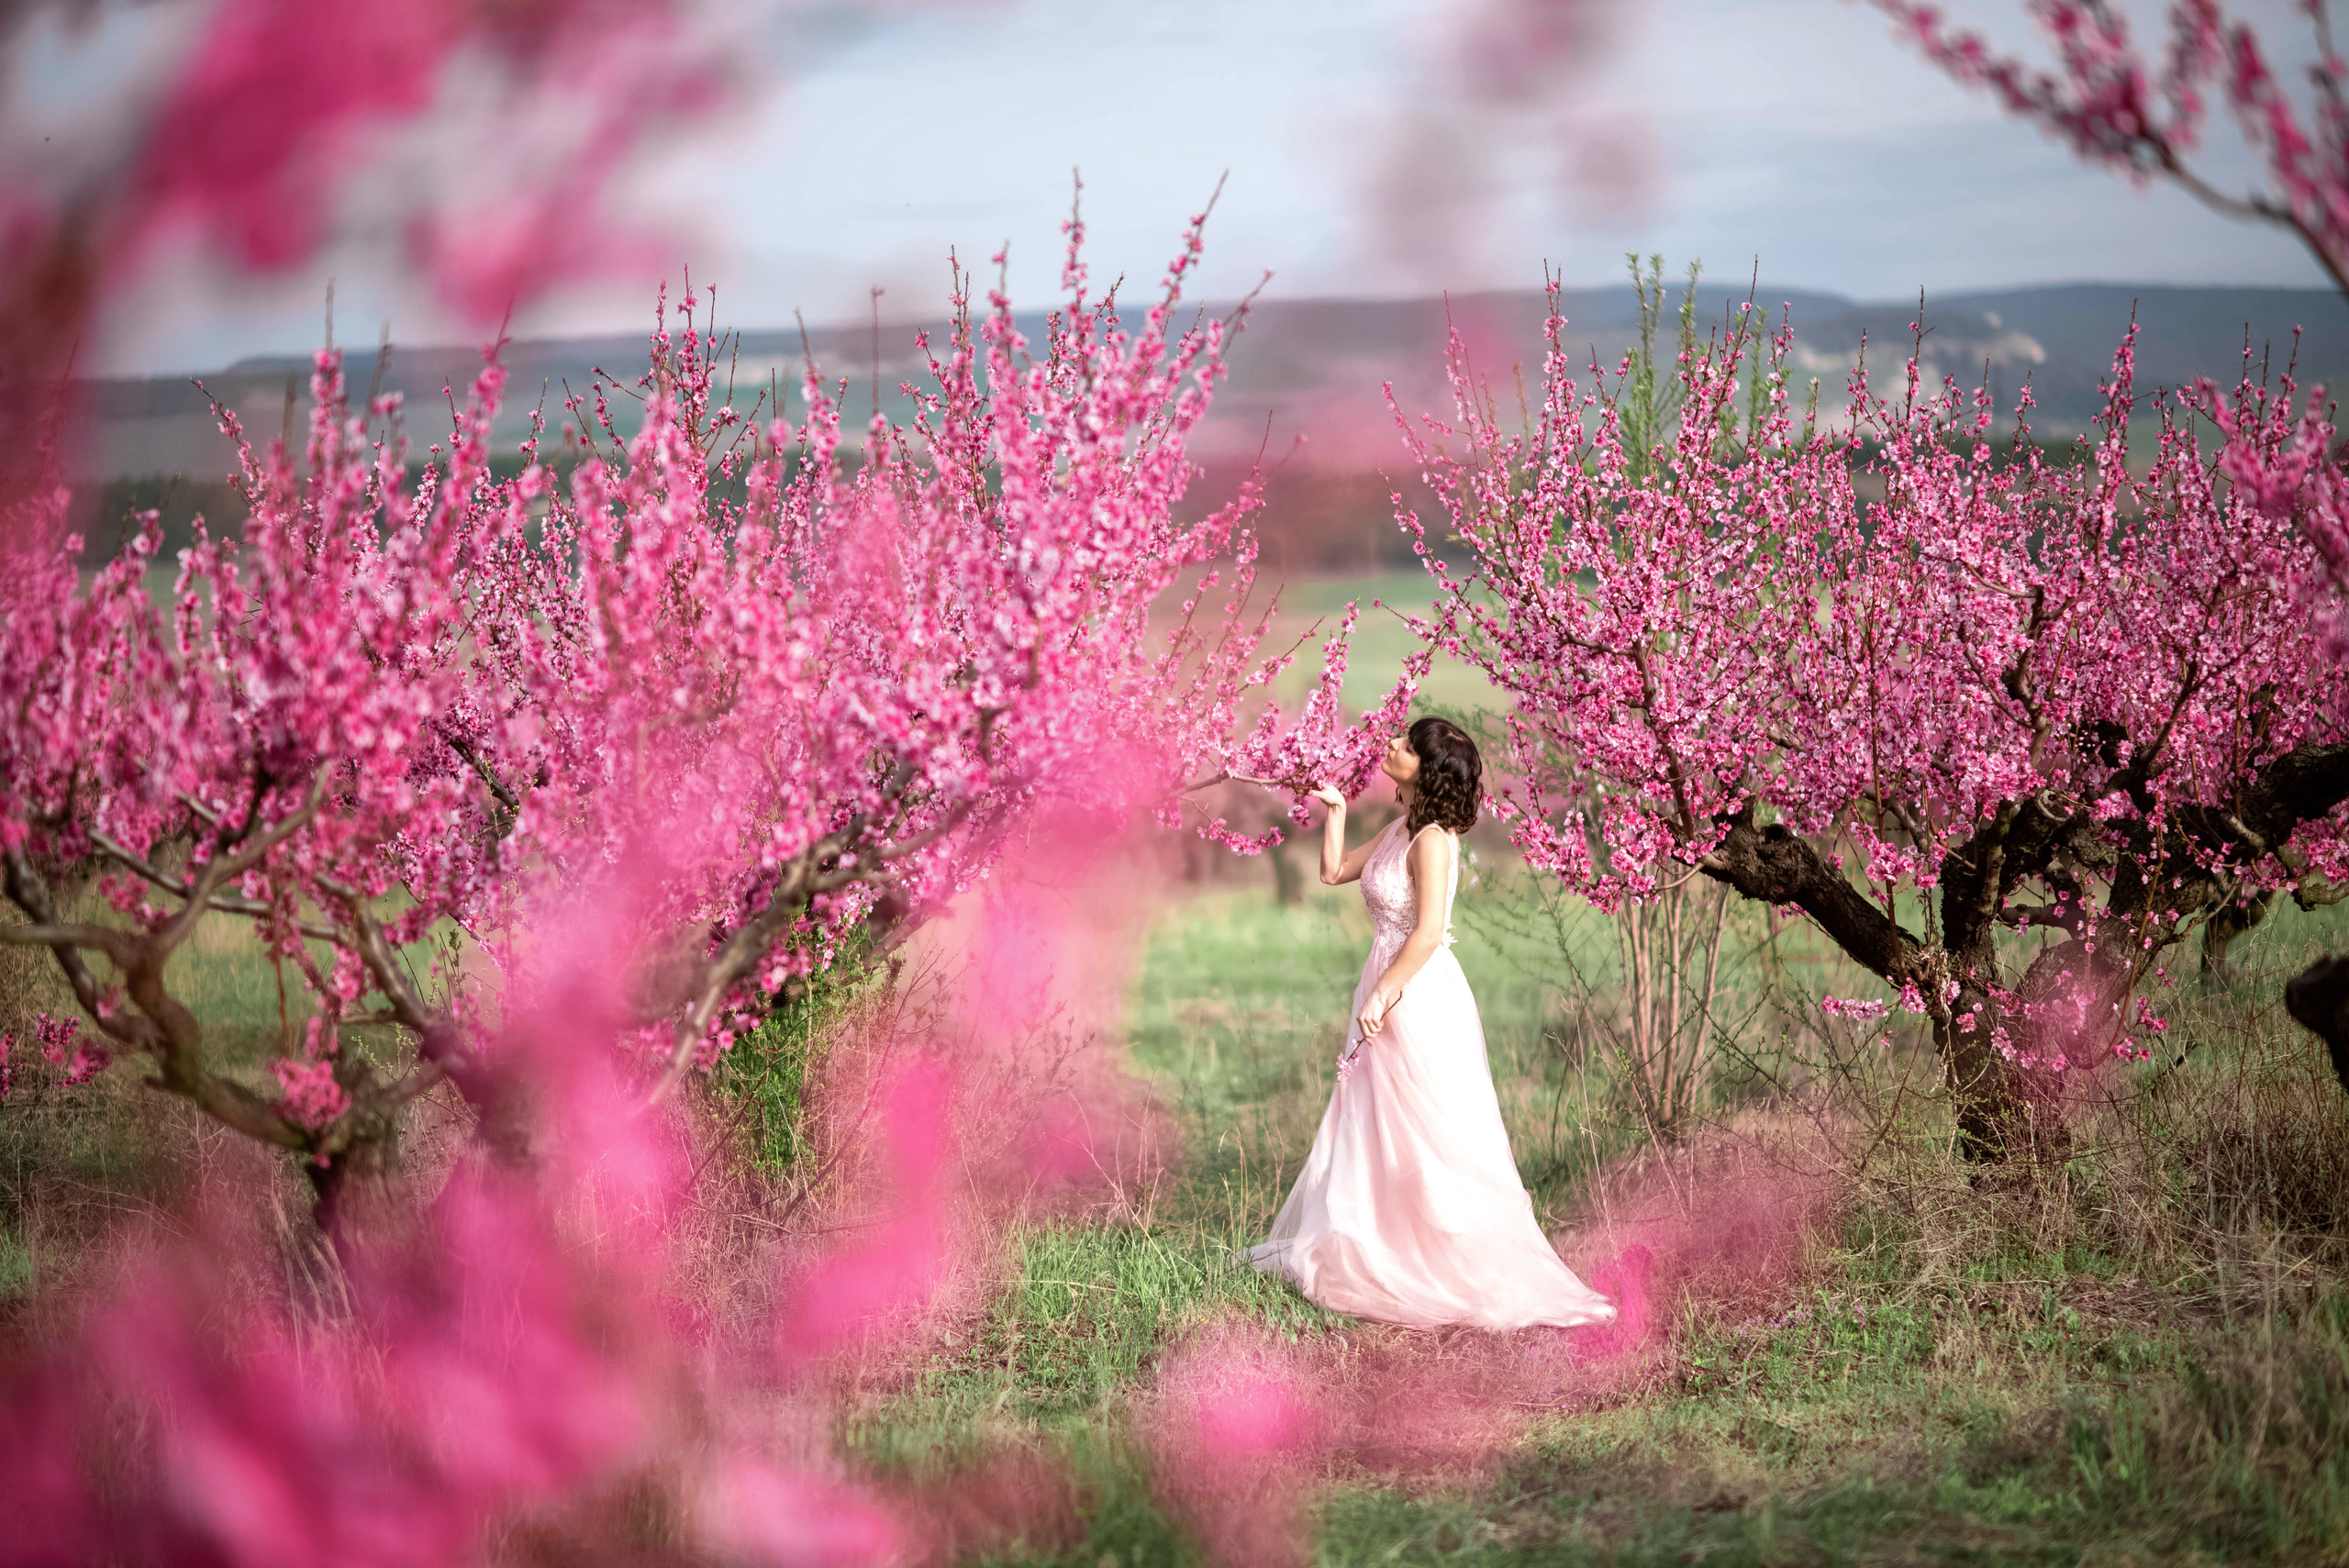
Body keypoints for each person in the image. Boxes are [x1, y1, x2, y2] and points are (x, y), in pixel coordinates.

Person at [1247, 717, 1617, 1331]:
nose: (1391, 746)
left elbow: (1426, 933)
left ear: (1426, 767)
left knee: (1430, 1131)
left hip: (1417, 995)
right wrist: (1335, 807)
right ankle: (1378, 1241)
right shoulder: (1401, 828)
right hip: (1384, 984)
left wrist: (1387, 992)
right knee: (1372, 1121)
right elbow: (1334, 871)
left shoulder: (1436, 842)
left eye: (1405, 745)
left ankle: (1447, 1256)